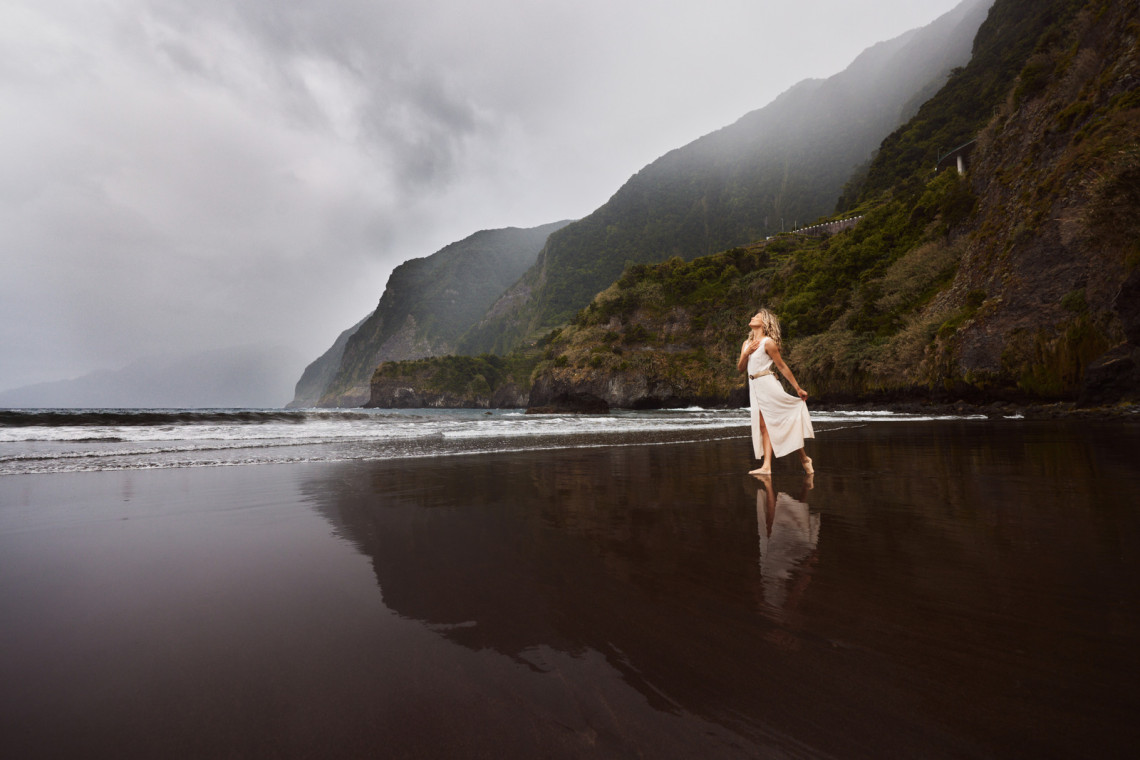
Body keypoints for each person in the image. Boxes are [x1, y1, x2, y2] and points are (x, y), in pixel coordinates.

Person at [737, 308, 814, 475]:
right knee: (764, 426)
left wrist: (798, 388)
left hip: (768, 384)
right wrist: (746, 353)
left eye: (757, 316)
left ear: (764, 323)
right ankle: (771, 466)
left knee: (777, 423)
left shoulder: (768, 343)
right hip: (755, 387)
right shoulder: (746, 344)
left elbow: (782, 366)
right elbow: (741, 368)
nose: (752, 317)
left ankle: (800, 459)